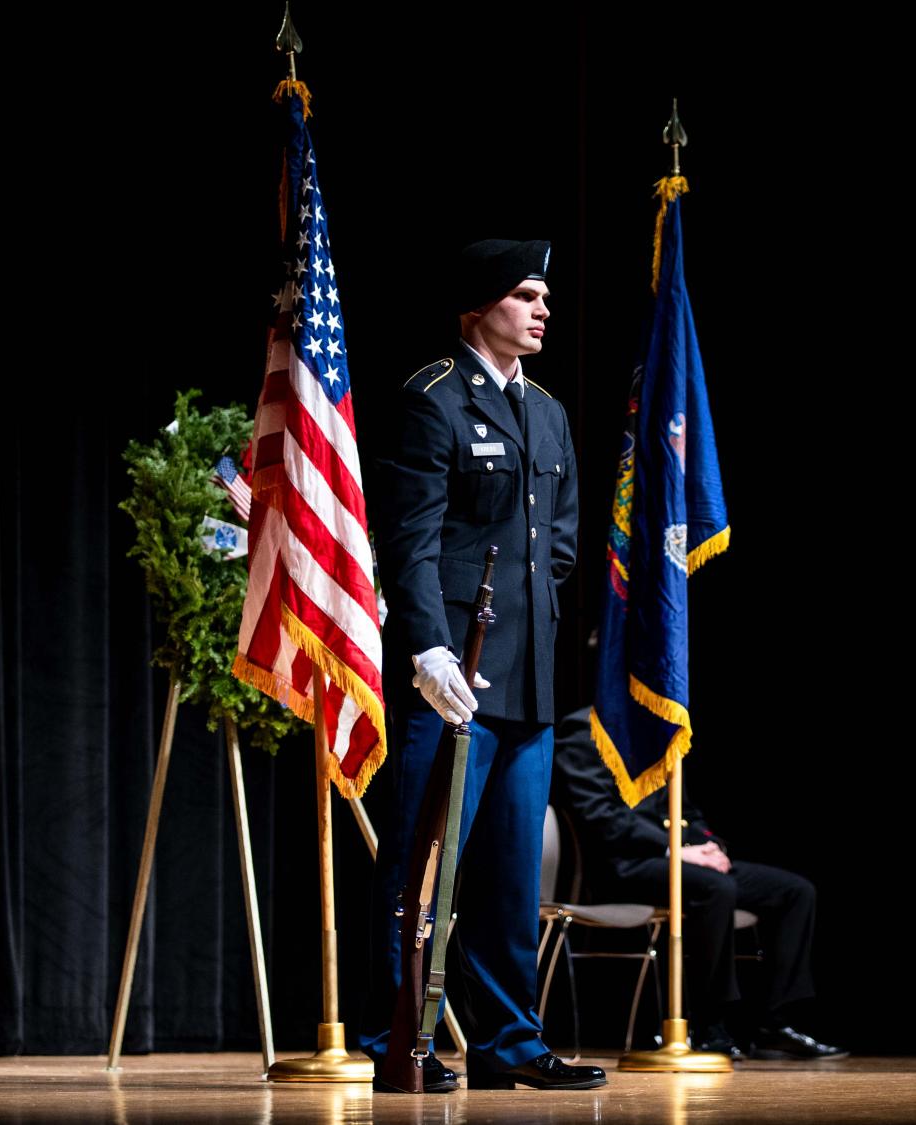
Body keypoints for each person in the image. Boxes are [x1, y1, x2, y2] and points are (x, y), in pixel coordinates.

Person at [364, 239, 601, 1092]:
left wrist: (523, 634)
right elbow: (412, 541)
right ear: (479, 309)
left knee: (509, 874)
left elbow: (560, 542)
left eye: (545, 296)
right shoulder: (432, 399)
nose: (543, 310)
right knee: (425, 864)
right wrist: (427, 644)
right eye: (526, 295)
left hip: (526, 676)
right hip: (451, 676)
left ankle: (511, 1044)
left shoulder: (547, 411)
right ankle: (400, 1036)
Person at [551, 707, 848, 1061]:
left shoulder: (662, 724)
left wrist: (709, 845)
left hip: (680, 859)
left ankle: (773, 1022)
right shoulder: (586, 727)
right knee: (715, 889)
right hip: (626, 865)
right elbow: (596, 815)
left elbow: (687, 810)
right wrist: (672, 849)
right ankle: (710, 1025)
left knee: (793, 891)